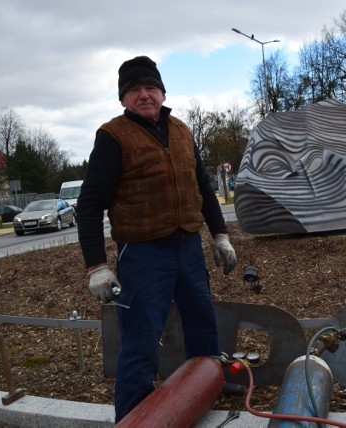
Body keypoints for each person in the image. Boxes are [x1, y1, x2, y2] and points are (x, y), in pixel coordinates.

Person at [76, 55, 238, 422]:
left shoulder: (182, 131)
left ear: (163, 92)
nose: (144, 95)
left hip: (188, 247)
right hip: (144, 255)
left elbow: (204, 190)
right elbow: (88, 206)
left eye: (151, 88)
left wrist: (221, 235)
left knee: (202, 321)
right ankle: (132, 413)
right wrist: (97, 267)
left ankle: (209, 380)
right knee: (141, 337)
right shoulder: (112, 136)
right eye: (134, 90)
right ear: (123, 99)